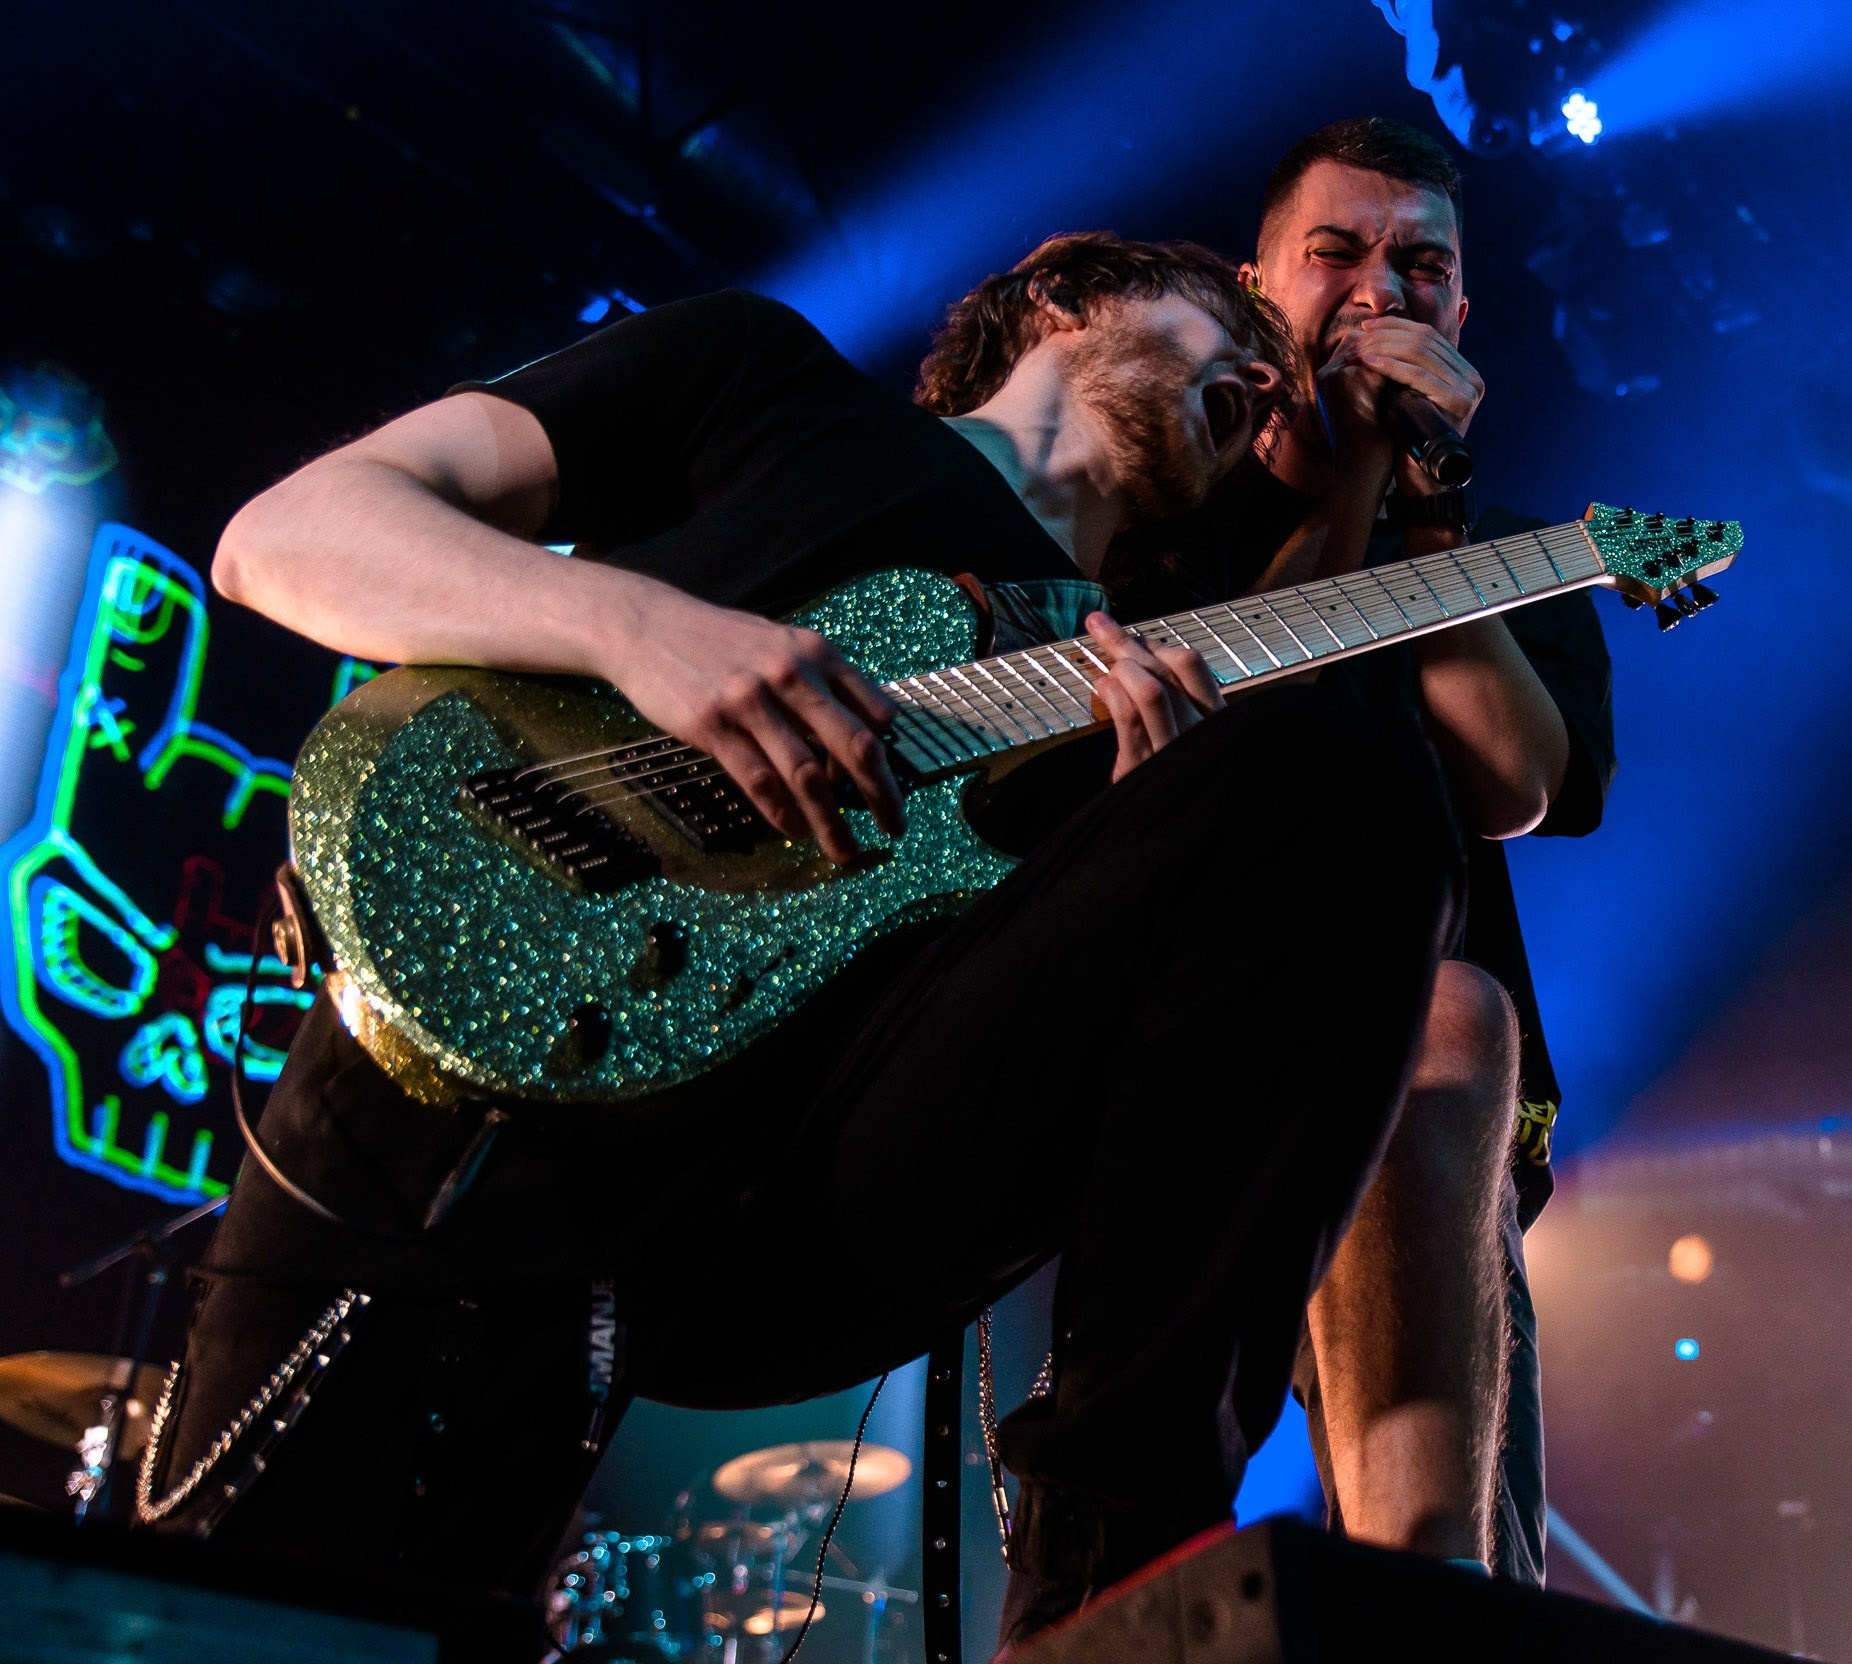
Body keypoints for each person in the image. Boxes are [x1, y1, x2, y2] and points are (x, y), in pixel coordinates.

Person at [148, 233, 1465, 1647]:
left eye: (1277, 377)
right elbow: (283, 536)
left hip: (800, 1181)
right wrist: (644, 629)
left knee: (1357, 773)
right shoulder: (761, 377)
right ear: (1065, 293)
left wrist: (1147, 858)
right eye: (1226, 324)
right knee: (267, 1618)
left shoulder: (1129, 664)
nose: (1268, 379)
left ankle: (1112, 1598)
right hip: (489, 1036)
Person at [1091, 118, 1616, 1581]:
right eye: (1339, 253)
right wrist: (1329, 493)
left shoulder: (1504, 552)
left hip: (1417, 1101)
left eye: (1424, 266)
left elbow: (1511, 776)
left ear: (1467, 315)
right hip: (1156, 1075)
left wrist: (1416, 504)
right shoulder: (1159, 527)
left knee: (1444, 1552)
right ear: (1258, 282)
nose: (1383, 292)